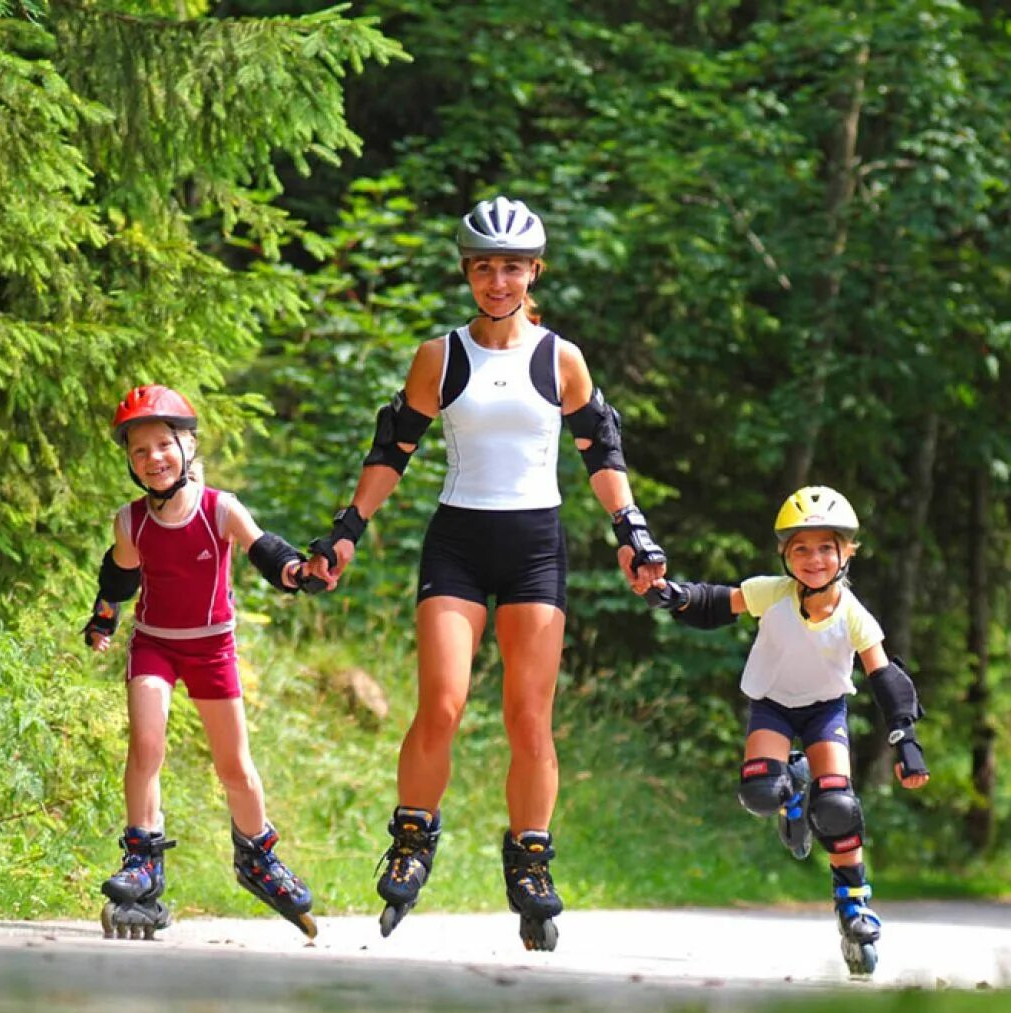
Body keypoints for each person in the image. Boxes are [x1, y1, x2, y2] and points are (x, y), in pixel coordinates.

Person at [303, 196, 668, 952]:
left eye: (511, 267)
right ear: (467, 271)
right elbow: (393, 448)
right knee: (442, 701)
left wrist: (631, 529)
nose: (497, 280)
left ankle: (530, 860)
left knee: (528, 717)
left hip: (536, 542)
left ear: (534, 272)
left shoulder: (559, 357)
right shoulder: (441, 356)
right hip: (459, 541)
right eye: (483, 267)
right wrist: (349, 529)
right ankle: (412, 837)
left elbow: (601, 451)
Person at [638, 485, 930, 976]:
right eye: (801, 548)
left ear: (846, 553)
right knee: (758, 793)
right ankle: (793, 791)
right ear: (784, 554)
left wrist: (906, 739)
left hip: (824, 712)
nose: (813, 559)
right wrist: (672, 596)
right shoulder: (772, 593)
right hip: (772, 706)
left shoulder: (854, 615)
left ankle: (854, 904)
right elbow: (715, 603)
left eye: (824, 548)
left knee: (837, 805)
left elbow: (886, 678)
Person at [83, 384, 319, 941]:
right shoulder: (131, 520)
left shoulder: (220, 508)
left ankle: (258, 856)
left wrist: (294, 572)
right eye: (139, 451)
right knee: (146, 746)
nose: (152, 459)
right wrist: (104, 617)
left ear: (188, 446)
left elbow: (267, 550)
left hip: (213, 647)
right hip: (156, 644)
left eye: (163, 445)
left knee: (234, 765)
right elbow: (119, 575)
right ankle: (143, 859)